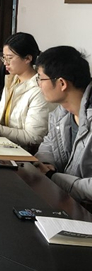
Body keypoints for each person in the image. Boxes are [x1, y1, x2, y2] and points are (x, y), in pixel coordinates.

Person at [34, 46, 92, 204]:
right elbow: (49, 144)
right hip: (65, 197)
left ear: (62, 83)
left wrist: (53, 177)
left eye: (41, 78)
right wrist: (46, 164)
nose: (38, 85)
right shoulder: (61, 112)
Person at [0, 33, 55, 149]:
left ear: (28, 58)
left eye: (10, 58)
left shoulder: (39, 90)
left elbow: (33, 138)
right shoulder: (12, 80)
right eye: (4, 58)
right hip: (3, 145)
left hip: (22, 151)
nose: (5, 63)